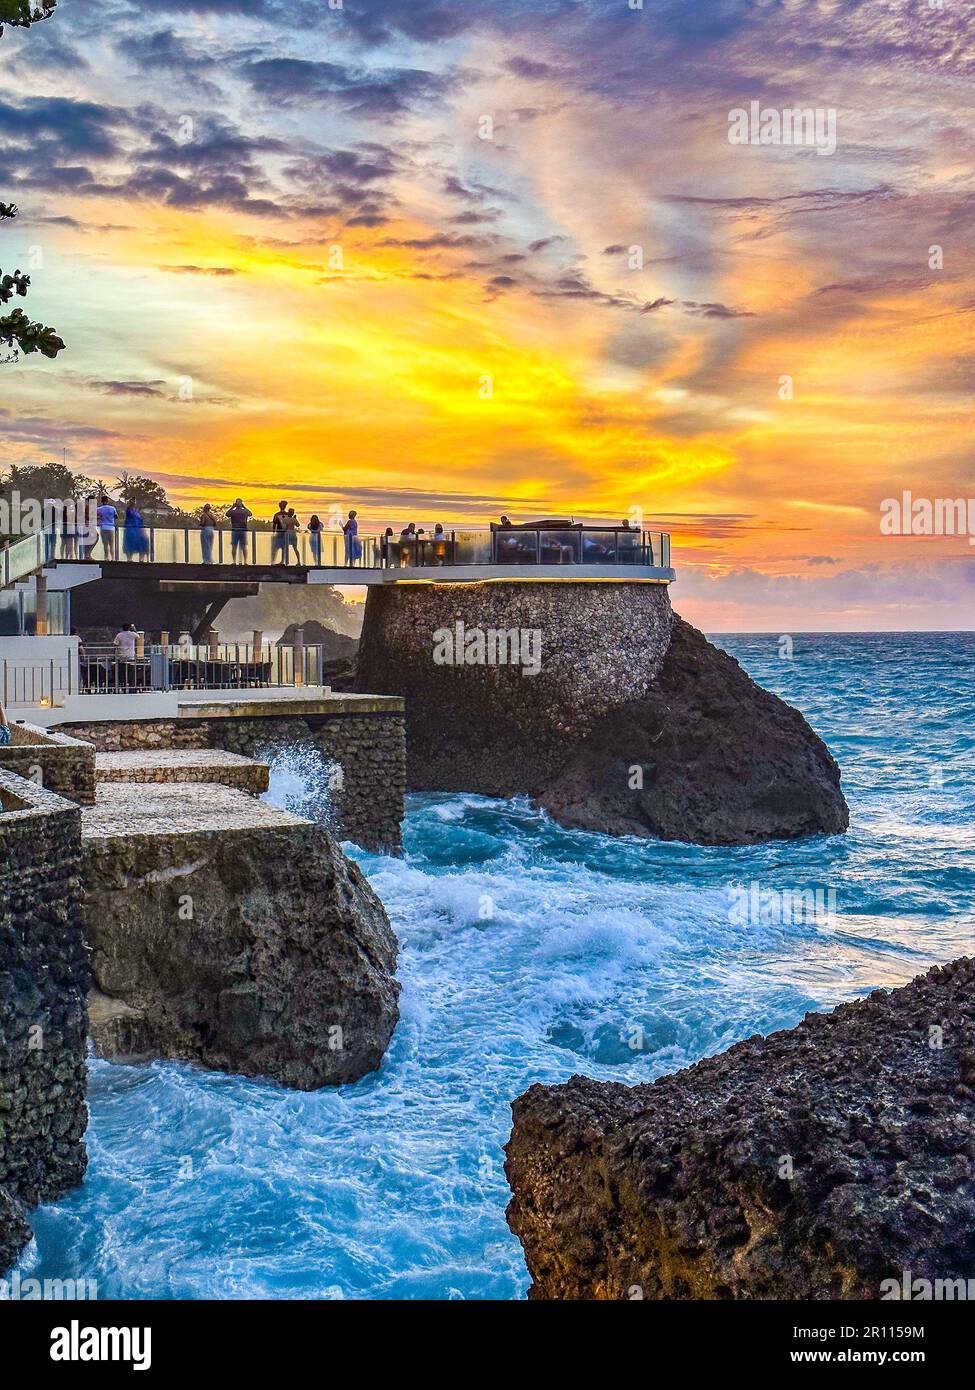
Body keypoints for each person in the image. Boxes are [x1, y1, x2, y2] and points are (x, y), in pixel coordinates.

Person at [226, 498, 252, 562]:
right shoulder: (233, 511)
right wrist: (232, 507)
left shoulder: (244, 511)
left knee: (244, 546)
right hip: (235, 530)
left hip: (242, 530)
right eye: (237, 502)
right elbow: (227, 514)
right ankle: (234, 561)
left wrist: (244, 507)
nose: (238, 503)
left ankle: (245, 561)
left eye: (239, 502)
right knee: (234, 546)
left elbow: (250, 514)